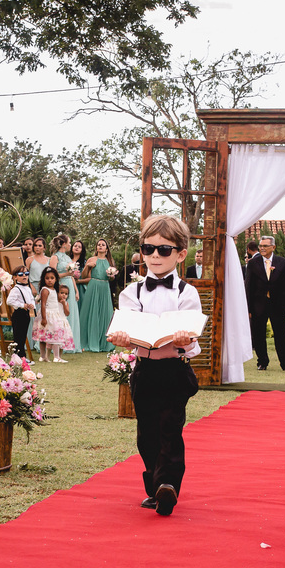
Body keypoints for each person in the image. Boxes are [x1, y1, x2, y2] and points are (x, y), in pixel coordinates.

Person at [107, 214, 201, 517]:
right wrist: (123, 338)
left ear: (180, 254)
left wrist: (185, 339)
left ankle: (169, 485)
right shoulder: (130, 293)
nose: (155, 256)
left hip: (174, 369)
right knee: (146, 432)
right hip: (144, 371)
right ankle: (155, 488)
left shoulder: (188, 293)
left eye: (164, 250)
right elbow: (127, 328)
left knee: (170, 428)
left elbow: (193, 343)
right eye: (148, 249)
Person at [244, 235, 285, 372]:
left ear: (273, 247)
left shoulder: (282, 262)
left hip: (278, 305)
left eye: (265, 246)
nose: (262, 248)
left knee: (282, 335)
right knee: (258, 335)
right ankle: (262, 362)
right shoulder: (252, 263)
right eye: (260, 246)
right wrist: (248, 308)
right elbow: (248, 287)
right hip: (258, 305)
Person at [79, 238, 116, 352]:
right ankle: (89, 340)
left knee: (104, 313)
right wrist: (88, 267)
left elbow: (112, 278)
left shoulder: (110, 261)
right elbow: (84, 275)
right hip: (93, 286)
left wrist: (111, 275)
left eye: (103, 245)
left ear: (106, 248)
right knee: (91, 312)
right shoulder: (92, 259)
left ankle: (103, 342)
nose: (100, 246)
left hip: (104, 287)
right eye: (98, 244)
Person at [33, 267, 75, 362]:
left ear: (56, 279)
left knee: (55, 334)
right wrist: (44, 318)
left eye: (52, 278)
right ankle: (47, 356)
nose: (50, 280)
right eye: (47, 278)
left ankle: (54, 356)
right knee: (44, 336)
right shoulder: (45, 290)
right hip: (48, 315)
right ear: (44, 279)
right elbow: (43, 305)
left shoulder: (54, 290)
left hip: (55, 315)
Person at [52, 234, 82, 353]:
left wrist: (76, 290)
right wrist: (66, 274)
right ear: (64, 244)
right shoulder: (55, 257)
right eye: (69, 243)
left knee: (71, 315)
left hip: (70, 285)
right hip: (60, 286)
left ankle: (69, 343)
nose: (70, 245)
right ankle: (58, 343)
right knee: (60, 314)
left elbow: (72, 276)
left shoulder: (68, 258)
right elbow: (51, 275)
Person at [5, 265, 36, 358]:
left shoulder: (27, 288)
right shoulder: (15, 289)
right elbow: (9, 301)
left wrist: (31, 305)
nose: (24, 276)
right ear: (15, 277)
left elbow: (31, 298)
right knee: (18, 337)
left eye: (26, 273)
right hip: (18, 314)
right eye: (21, 274)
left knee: (23, 336)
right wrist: (22, 305)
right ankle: (19, 356)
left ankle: (21, 357)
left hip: (26, 314)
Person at [69, 239, 87, 306]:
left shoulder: (85, 263)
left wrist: (79, 281)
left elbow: (89, 278)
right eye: (75, 246)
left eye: (79, 247)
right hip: (68, 286)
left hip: (80, 288)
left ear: (82, 250)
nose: (77, 248)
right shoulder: (68, 260)